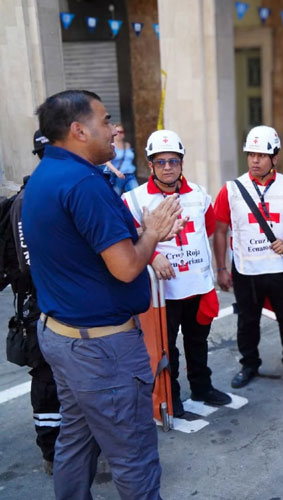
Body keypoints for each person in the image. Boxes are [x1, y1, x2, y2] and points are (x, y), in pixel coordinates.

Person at [23, 90, 183, 500]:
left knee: (75, 442)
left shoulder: (45, 173)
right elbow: (127, 265)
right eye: (106, 120)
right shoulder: (83, 183)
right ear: (78, 130)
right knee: (134, 457)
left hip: (62, 335)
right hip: (101, 349)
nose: (114, 130)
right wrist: (152, 233)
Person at [123, 129, 231, 417]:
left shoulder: (198, 194)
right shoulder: (133, 199)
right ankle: (172, 396)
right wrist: (154, 255)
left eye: (173, 161)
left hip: (196, 285)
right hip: (163, 291)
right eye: (161, 162)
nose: (168, 167)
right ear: (150, 165)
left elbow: (208, 229)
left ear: (182, 163)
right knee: (165, 348)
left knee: (198, 341)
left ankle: (202, 387)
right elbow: (126, 240)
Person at [214, 125, 283, 389]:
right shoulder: (232, 189)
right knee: (247, 321)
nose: (255, 160)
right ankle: (249, 364)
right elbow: (220, 230)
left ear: (274, 158)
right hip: (246, 271)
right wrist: (221, 268)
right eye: (251, 154)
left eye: (261, 155)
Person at [2, 130, 61, 475]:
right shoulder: (29, 199)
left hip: (54, 302)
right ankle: (51, 451)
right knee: (47, 378)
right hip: (42, 307)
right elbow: (29, 264)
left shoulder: (47, 191)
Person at [103, 123, 138, 195]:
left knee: (137, 195)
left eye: (121, 132)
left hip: (130, 175)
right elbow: (107, 161)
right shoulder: (111, 146)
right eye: (117, 132)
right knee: (115, 199)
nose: (119, 134)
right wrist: (116, 172)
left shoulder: (127, 145)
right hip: (117, 176)